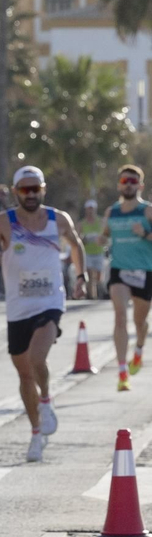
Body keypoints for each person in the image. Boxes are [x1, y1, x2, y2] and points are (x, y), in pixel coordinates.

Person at [0, 165, 87, 463]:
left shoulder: (57, 219)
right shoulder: (3, 222)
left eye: (36, 188)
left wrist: (80, 276)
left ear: (43, 189)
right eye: (25, 190)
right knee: (24, 373)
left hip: (50, 301)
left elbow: (76, 245)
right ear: (15, 193)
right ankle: (36, 433)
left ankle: (46, 400)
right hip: (18, 307)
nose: (31, 194)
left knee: (38, 358)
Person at [102, 165, 151, 391]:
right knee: (119, 317)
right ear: (119, 184)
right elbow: (105, 235)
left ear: (140, 186)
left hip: (144, 272)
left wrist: (146, 234)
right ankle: (122, 372)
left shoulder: (147, 211)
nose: (128, 184)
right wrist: (100, 240)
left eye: (133, 181)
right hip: (119, 271)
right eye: (124, 181)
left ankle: (139, 349)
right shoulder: (112, 212)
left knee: (139, 322)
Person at [79, 198, 106, 300]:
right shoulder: (82, 223)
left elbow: (106, 236)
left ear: (95, 209)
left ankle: (100, 292)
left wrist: (101, 239)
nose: (90, 211)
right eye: (88, 209)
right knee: (90, 275)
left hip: (99, 252)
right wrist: (83, 239)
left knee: (99, 276)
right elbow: (77, 238)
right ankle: (92, 297)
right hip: (87, 252)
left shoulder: (101, 221)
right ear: (86, 210)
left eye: (92, 209)